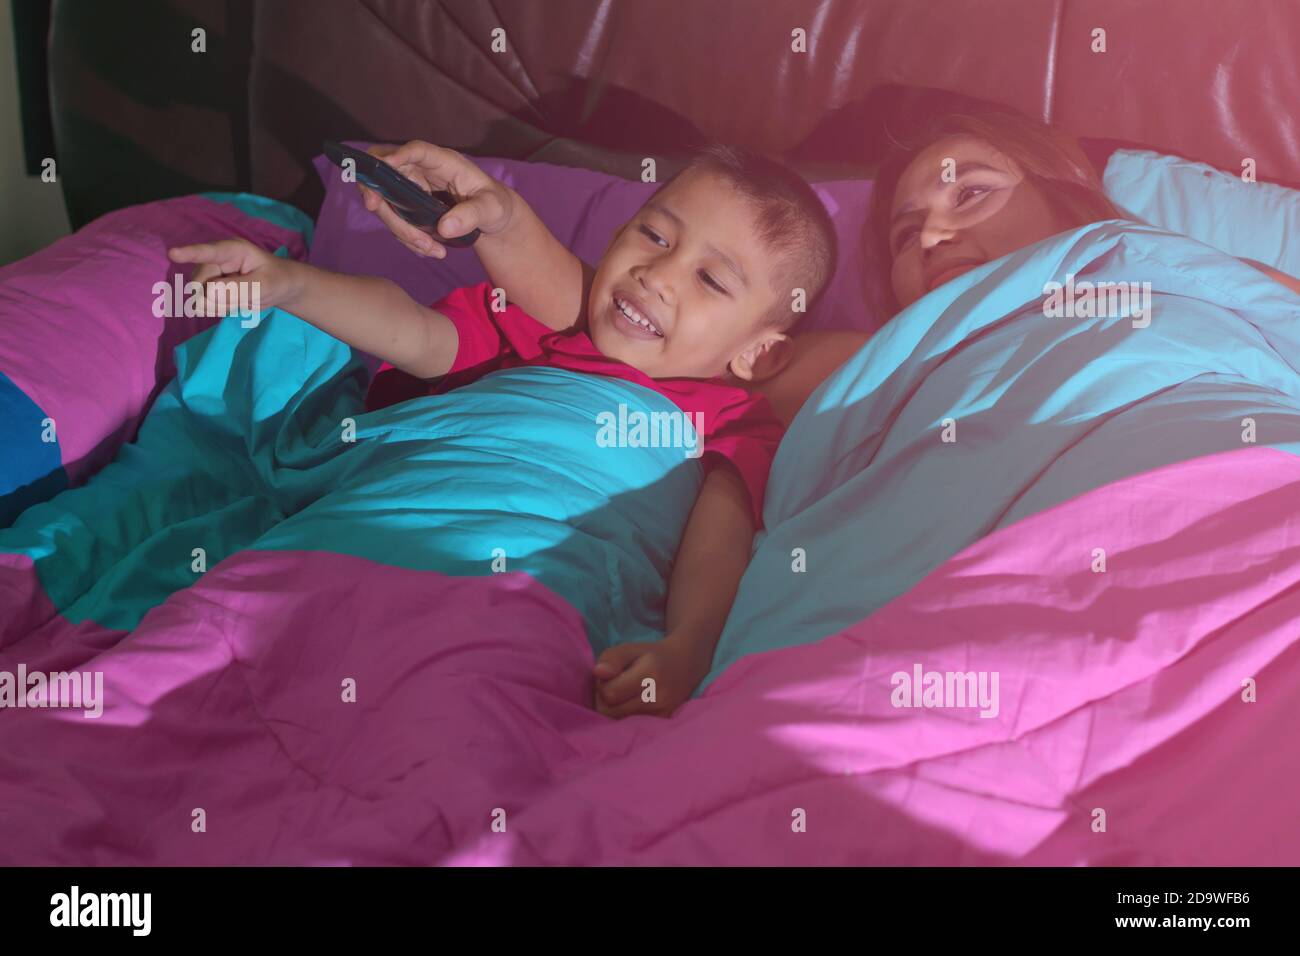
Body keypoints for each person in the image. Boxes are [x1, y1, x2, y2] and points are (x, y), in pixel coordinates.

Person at [169, 144, 837, 718]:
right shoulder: (537, 329)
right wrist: (291, 286)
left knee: (462, 695)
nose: (655, 275)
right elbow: (415, 334)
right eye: (654, 236)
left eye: (711, 280)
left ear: (759, 353)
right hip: (370, 530)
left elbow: (716, 546)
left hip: (524, 584)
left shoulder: (731, 423)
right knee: (223, 651)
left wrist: (687, 647)